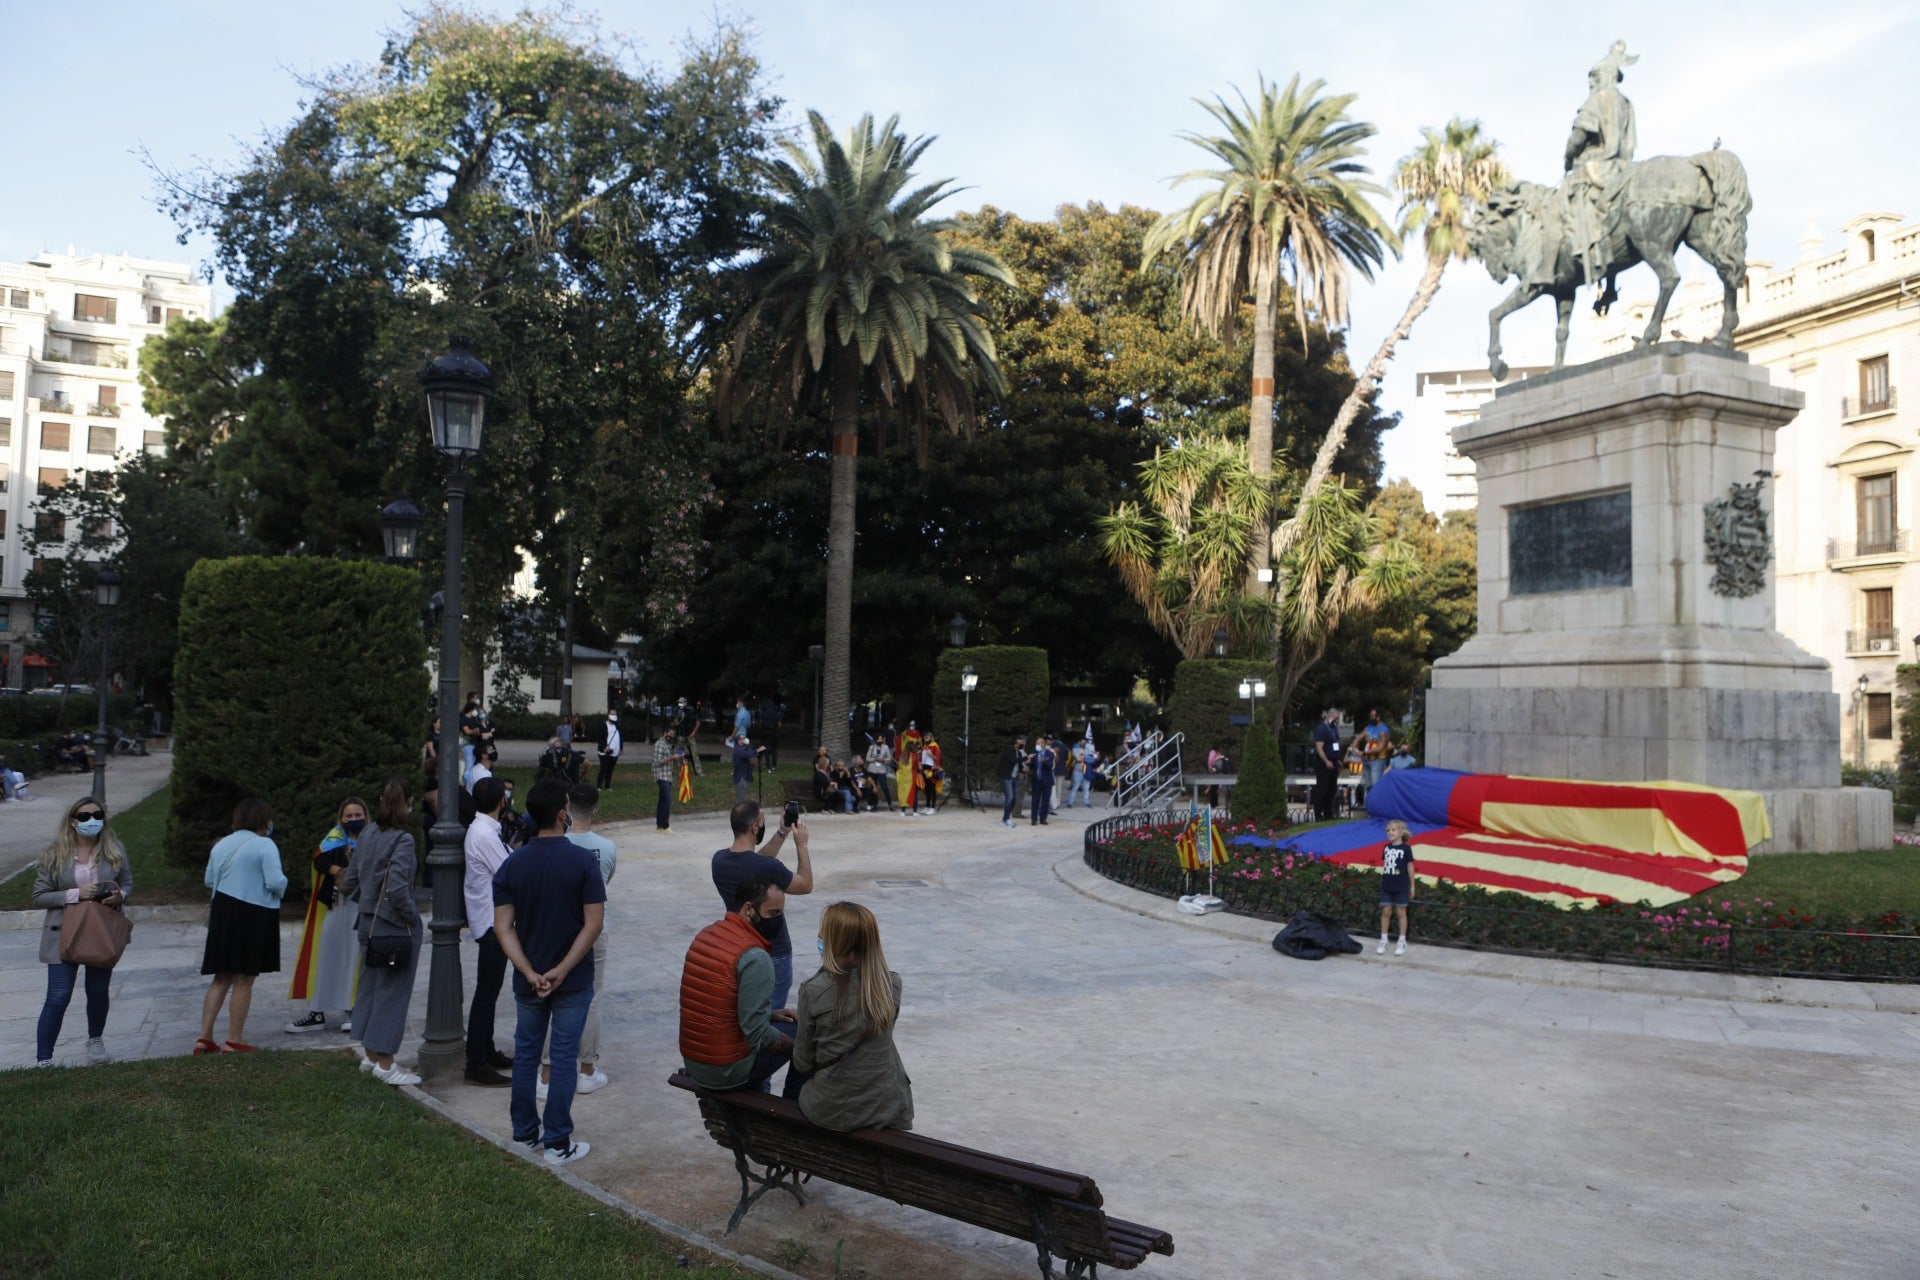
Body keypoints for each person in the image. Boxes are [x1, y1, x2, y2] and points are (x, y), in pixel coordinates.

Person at [492, 777, 606, 1167]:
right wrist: (561, 969)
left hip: (529, 980)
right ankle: (558, 1142)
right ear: (563, 813)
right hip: (571, 979)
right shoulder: (582, 861)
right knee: (562, 1056)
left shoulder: (513, 863)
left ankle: (524, 1135)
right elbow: (593, 924)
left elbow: (502, 927)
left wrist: (528, 970)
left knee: (526, 1055)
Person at [792, 902, 914, 1132]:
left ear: (839, 942)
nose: (819, 935)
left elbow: (802, 1062)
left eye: (825, 930)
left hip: (832, 1113)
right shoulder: (892, 984)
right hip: (886, 1108)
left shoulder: (813, 990)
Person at [31, 797, 132, 1066]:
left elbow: (127, 884)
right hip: (63, 933)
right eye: (85, 816)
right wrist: (77, 894)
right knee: (58, 995)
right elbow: (39, 896)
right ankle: (44, 1059)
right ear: (73, 821)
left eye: (97, 815)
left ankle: (95, 1041)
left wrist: (120, 895)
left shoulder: (114, 850)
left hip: (100, 931)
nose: (92, 820)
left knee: (98, 992)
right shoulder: (54, 855)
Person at [678, 879, 797, 1095]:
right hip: (726, 1071)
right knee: (803, 1030)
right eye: (773, 914)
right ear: (749, 908)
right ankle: (796, 1109)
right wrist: (801, 1051)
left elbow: (718, 1005)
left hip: (696, 1061)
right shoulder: (754, 957)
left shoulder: (707, 934)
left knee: (787, 1022)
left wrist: (769, 1014)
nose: (778, 921)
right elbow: (758, 1035)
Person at [539, 782, 618, 1102]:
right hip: (595, 928)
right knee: (592, 997)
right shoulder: (607, 847)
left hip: (559, 929)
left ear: (567, 806)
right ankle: (586, 1070)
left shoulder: (555, 843)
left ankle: (547, 1073)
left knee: (550, 995)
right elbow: (604, 884)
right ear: (595, 810)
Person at [342, 778, 423, 1085]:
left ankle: (372, 1055)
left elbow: (351, 879)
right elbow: (399, 888)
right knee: (392, 993)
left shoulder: (367, 833)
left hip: (366, 923)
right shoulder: (402, 840)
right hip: (392, 928)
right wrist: (411, 918)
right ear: (408, 802)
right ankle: (387, 1064)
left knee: (371, 989)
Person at [197, 797, 288, 1054]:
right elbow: (274, 881)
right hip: (253, 913)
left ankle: (204, 1037)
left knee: (221, 976)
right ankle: (234, 1038)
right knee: (244, 979)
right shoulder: (264, 844)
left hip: (222, 911)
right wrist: (284, 883)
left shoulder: (221, 844)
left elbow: (208, 879)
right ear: (263, 819)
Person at [711, 800, 813, 1016]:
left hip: (737, 948)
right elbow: (805, 885)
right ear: (755, 828)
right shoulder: (766, 868)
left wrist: (782, 833)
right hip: (773, 953)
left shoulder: (719, 861)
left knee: (747, 1013)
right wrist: (801, 845)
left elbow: (754, 861)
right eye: (762, 822)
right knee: (769, 1017)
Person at [286, 797, 367, 1035]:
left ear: (366, 815)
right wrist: (339, 871)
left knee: (355, 957)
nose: (353, 819)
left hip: (360, 904)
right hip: (335, 903)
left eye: (357, 815)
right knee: (325, 955)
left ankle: (352, 1009)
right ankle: (317, 1011)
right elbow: (319, 859)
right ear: (341, 818)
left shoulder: (372, 836)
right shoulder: (334, 837)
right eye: (348, 816)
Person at [462, 776, 515, 1086]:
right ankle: (476, 1061)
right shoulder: (483, 833)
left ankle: (486, 1049)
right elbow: (508, 871)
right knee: (486, 993)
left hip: (491, 919)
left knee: (490, 992)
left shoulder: (485, 829)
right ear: (501, 801)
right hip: (491, 922)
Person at [1377, 819, 1416, 956]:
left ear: (1401, 832)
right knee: (1386, 912)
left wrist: (1412, 886)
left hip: (1400, 886)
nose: (1390, 832)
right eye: (1388, 830)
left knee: (1401, 913)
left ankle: (1402, 940)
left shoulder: (1406, 849)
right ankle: (1384, 939)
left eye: (1393, 830)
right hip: (1387, 885)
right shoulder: (1386, 848)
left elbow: (1410, 867)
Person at [1311, 709, 1343, 821]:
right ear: (1329, 716)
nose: (1336, 721)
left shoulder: (1333, 729)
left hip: (1333, 761)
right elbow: (1319, 747)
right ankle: (1318, 815)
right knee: (1322, 789)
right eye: (1335, 718)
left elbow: (1336, 744)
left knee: (1331, 789)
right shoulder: (1322, 729)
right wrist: (1326, 761)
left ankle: (1328, 813)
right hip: (1323, 762)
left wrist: (1338, 759)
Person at [651, 725, 682, 835]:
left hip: (668, 776)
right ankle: (665, 826)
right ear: (664, 733)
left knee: (662, 801)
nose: (671, 736)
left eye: (673, 735)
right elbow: (658, 762)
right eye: (670, 734)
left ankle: (659, 825)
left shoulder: (668, 745)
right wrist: (672, 757)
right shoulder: (660, 744)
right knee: (667, 800)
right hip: (661, 776)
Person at [1360, 709, 1391, 802]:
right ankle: (1369, 807)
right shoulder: (1369, 727)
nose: (1371, 718)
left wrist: (1365, 752)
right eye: (1370, 716)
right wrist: (1354, 747)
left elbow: (1380, 747)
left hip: (1378, 760)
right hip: (1367, 760)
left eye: (1373, 716)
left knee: (1375, 785)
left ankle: (1377, 806)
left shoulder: (1383, 730)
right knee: (1368, 785)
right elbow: (1359, 738)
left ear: (1378, 717)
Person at [996, 735, 1027, 828]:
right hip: (1006, 777)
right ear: (1016, 742)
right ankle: (1005, 819)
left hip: (1014, 778)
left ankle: (1006, 818)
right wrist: (1027, 758)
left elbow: (1020, 766)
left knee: (1014, 799)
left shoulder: (1019, 753)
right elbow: (1013, 760)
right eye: (1021, 742)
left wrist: (1024, 769)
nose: (1023, 744)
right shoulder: (1009, 750)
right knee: (1009, 797)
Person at [864, 735, 897, 813]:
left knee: (885, 787)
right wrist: (875, 759)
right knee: (873, 787)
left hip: (881, 769)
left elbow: (889, 758)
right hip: (872, 769)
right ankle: (874, 805)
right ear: (876, 740)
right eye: (878, 739)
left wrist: (883, 759)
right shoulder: (871, 747)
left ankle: (890, 804)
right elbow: (867, 758)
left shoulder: (885, 747)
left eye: (881, 739)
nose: (880, 740)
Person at [1029, 734, 1057, 826]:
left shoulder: (1050, 754)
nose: (1037, 745)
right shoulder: (1035, 753)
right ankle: (1033, 819)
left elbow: (1050, 766)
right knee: (1035, 800)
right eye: (1036, 743)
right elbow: (1032, 766)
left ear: (1044, 745)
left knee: (1045, 800)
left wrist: (1044, 761)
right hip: (1036, 780)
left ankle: (1043, 818)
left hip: (1047, 781)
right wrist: (1029, 761)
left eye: (1039, 744)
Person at [730, 732, 764, 807]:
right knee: (740, 800)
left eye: (745, 737)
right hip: (741, 778)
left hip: (744, 776)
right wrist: (758, 750)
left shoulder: (743, 748)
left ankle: (739, 813)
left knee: (741, 798)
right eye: (743, 738)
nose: (745, 739)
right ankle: (738, 814)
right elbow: (747, 754)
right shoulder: (738, 749)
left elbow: (750, 756)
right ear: (738, 741)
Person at [595, 709, 623, 790]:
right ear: (608, 715)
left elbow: (620, 738)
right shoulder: (603, 725)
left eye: (615, 714)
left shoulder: (617, 726)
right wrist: (604, 747)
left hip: (615, 752)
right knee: (603, 769)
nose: (614, 716)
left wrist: (621, 748)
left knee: (610, 770)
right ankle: (599, 786)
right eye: (612, 714)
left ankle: (607, 786)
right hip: (605, 751)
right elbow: (599, 738)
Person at [675, 697, 704, 776]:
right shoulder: (677, 711)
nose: (680, 704)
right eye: (679, 702)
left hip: (689, 736)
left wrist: (693, 733)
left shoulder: (691, 711)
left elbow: (698, 722)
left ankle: (698, 771)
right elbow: (675, 723)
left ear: (685, 702)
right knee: (680, 753)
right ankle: (681, 771)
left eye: (681, 702)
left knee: (694, 753)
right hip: (680, 735)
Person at [1065, 738, 1094, 808]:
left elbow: (1092, 759)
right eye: (1083, 742)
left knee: (1086, 788)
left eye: (1085, 743)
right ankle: (1070, 802)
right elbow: (1078, 759)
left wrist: (1083, 757)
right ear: (1079, 742)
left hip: (1086, 771)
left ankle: (1086, 802)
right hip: (1078, 770)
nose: (1084, 744)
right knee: (1075, 787)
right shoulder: (1075, 748)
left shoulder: (1089, 749)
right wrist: (1086, 757)